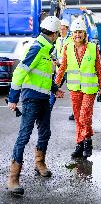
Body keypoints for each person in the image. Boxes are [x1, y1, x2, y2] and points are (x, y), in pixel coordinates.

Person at [7, 16, 64, 195]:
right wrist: (13, 98)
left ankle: (39, 163)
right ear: (54, 34)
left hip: (43, 98)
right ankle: (13, 179)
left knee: (45, 132)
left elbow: (44, 75)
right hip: (31, 99)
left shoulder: (47, 50)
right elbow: (19, 73)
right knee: (23, 137)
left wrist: (55, 89)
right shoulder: (37, 48)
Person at [55, 18, 101, 159]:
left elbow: (98, 69)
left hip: (89, 89)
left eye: (80, 32)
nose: (78, 34)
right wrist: (55, 85)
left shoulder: (93, 48)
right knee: (78, 118)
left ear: (85, 33)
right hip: (75, 88)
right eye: (75, 32)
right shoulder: (67, 47)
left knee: (84, 116)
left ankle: (87, 142)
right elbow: (62, 67)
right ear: (72, 34)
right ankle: (80, 144)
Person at [50, 19, 74, 120]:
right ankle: (47, 111)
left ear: (67, 29)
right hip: (59, 70)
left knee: (74, 92)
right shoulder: (58, 40)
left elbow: (72, 56)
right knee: (53, 90)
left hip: (70, 71)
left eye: (63, 29)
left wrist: (61, 62)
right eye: (60, 29)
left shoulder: (71, 40)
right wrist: (54, 59)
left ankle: (75, 112)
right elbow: (55, 52)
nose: (61, 31)